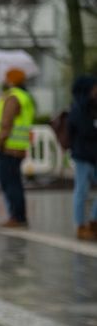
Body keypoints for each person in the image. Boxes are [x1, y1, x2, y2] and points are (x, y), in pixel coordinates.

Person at [0, 68, 35, 228]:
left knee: (10, 183)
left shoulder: (13, 97)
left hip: (8, 148)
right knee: (15, 182)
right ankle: (19, 216)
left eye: (7, 78)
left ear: (11, 81)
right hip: (18, 147)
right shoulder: (24, 96)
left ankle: (17, 217)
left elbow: (6, 123)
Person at [67, 75, 97, 240]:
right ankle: (80, 225)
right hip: (83, 155)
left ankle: (94, 221)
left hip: (94, 155)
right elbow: (84, 130)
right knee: (81, 191)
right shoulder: (78, 108)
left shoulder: (93, 107)